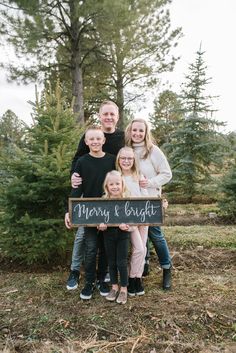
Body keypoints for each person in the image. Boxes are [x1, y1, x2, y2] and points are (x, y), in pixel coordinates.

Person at [66, 100, 125, 292]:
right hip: (89, 200)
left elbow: (130, 160)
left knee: (109, 239)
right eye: (105, 114)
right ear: (100, 116)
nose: (108, 117)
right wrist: (74, 176)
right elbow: (78, 161)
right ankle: (76, 271)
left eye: (112, 114)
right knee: (84, 236)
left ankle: (106, 274)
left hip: (111, 199)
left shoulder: (122, 137)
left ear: (117, 116)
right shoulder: (90, 137)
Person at [125, 118, 173, 290]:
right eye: (134, 130)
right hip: (132, 202)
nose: (137, 134)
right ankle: (143, 265)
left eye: (141, 131)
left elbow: (167, 174)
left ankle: (167, 268)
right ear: (129, 132)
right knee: (139, 234)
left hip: (151, 201)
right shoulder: (127, 150)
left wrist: (150, 182)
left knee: (154, 234)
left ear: (146, 133)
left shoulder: (153, 151)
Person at [98, 170, 135, 305]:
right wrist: (100, 225)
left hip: (122, 235)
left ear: (122, 184)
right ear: (107, 186)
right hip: (108, 235)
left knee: (121, 262)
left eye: (117, 184)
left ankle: (124, 289)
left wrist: (128, 226)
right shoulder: (103, 201)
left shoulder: (127, 200)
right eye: (111, 184)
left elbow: (133, 219)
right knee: (111, 262)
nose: (114, 187)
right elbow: (99, 218)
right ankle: (114, 287)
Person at [116, 146, 148, 296]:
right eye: (123, 158)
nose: (126, 161)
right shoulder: (116, 177)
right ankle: (131, 277)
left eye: (130, 158)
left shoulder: (139, 176)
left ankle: (137, 278)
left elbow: (146, 196)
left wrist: (161, 202)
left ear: (134, 160)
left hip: (143, 217)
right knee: (139, 249)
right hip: (128, 219)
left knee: (143, 250)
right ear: (119, 159)